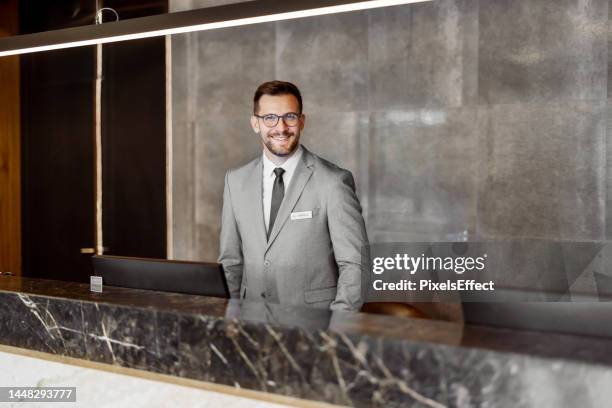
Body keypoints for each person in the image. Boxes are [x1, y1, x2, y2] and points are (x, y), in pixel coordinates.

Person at [218, 80, 368, 311]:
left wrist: (336, 329)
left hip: (314, 325)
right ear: (255, 123)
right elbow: (230, 263)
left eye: (289, 116)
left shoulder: (333, 182)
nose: (281, 127)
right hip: (251, 323)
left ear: (302, 121)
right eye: (270, 118)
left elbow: (355, 265)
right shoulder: (235, 181)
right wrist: (231, 324)